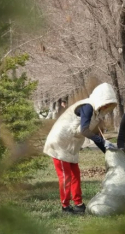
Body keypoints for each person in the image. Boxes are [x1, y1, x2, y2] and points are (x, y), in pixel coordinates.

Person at [44, 83, 118, 214]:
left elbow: (94, 134)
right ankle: (65, 207)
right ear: (100, 99)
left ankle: (78, 204)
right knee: (65, 177)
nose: (106, 106)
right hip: (59, 143)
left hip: (70, 146)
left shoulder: (96, 113)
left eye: (108, 104)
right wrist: (103, 142)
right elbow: (84, 130)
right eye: (105, 103)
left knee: (75, 175)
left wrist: (107, 151)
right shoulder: (87, 107)